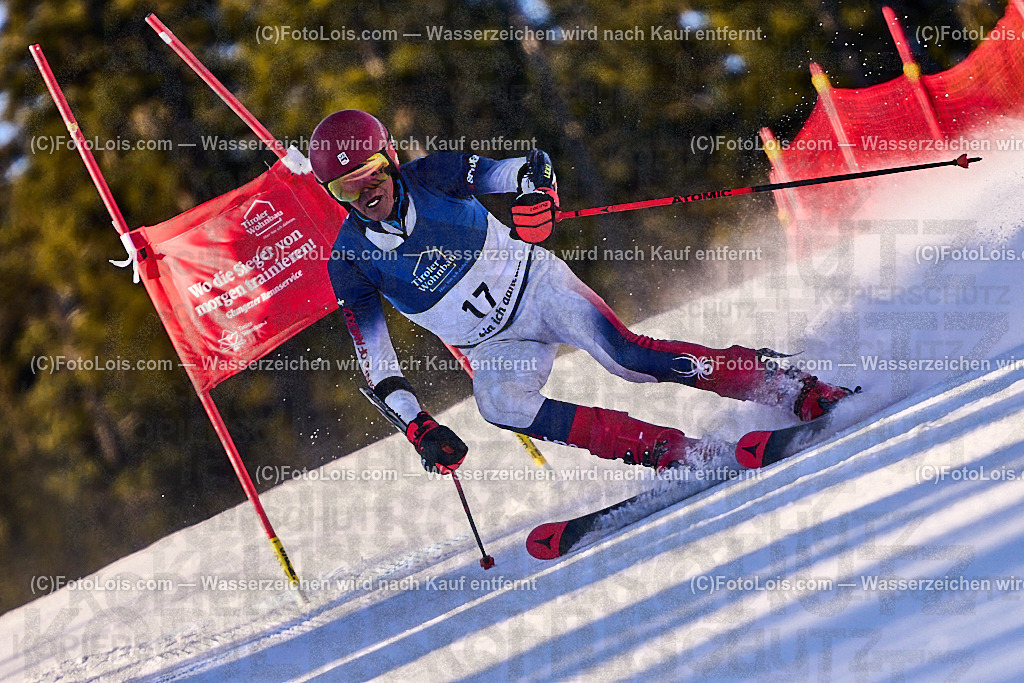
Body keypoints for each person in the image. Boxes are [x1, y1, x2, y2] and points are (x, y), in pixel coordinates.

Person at [310, 110, 853, 474]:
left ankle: (787, 387)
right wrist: (417, 426)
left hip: (536, 289)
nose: (366, 191)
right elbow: (378, 366)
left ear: (392, 160)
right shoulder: (351, 263)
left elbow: (527, 167)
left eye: (371, 171)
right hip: (492, 346)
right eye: (345, 187)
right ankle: (670, 452)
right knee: (500, 405)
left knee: (629, 359)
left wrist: (537, 195)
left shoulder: (436, 175)